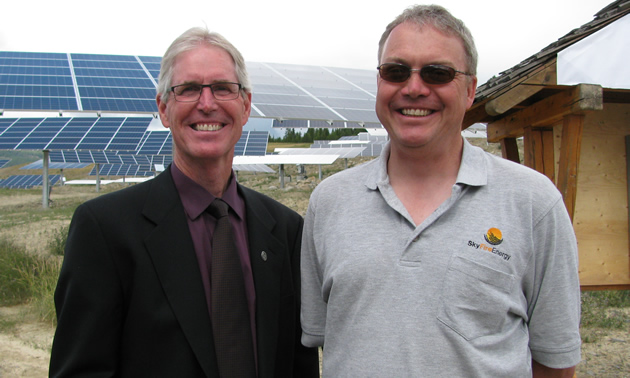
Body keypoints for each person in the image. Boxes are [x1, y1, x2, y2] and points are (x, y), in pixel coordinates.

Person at [300, 5, 581, 377]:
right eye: (396, 71)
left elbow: (555, 361)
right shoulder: (328, 202)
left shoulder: (532, 202)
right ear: (380, 81)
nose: (414, 88)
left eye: (437, 73)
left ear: (470, 90)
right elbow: (326, 340)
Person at [50, 27, 319, 377]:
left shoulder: (285, 229)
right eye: (189, 89)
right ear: (163, 108)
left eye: (223, 88)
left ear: (246, 105)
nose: (207, 104)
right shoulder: (105, 230)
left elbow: (299, 367)